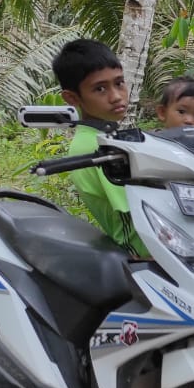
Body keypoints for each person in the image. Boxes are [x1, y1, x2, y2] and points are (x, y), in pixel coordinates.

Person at [52, 39, 149, 257]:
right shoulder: (95, 147)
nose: (116, 96)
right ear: (72, 97)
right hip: (144, 254)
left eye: (119, 83)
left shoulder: (104, 137)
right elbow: (135, 210)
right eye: (100, 88)